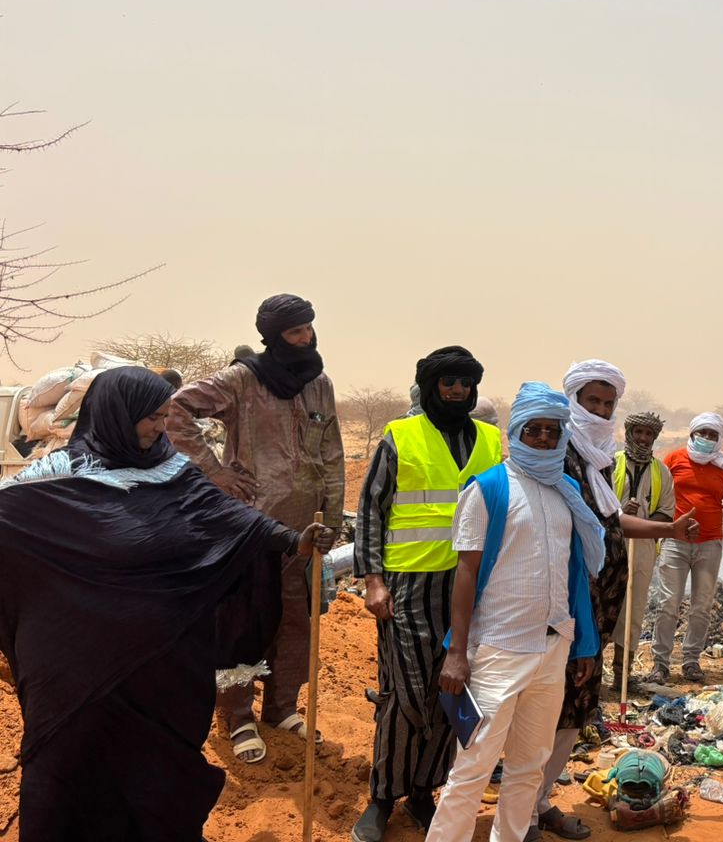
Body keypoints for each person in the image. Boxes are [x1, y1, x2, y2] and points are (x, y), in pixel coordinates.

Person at [0, 367, 335, 841]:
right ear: (116, 414)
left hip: (164, 663)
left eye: (163, 416)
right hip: (74, 665)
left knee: (158, 770)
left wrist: (293, 540)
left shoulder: (174, 472)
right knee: (69, 764)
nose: (159, 427)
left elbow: (232, 519)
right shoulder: (49, 480)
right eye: (149, 418)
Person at [167, 293, 344, 764]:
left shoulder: (320, 383)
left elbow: (331, 451)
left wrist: (332, 513)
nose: (306, 337)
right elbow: (175, 411)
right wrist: (214, 471)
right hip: (247, 526)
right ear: (273, 336)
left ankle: (281, 707)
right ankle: (237, 715)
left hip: (305, 527)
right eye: (295, 332)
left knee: (295, 618)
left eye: (309, 327)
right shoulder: (242, 380)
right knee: (244, 620)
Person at [426, 382, 603, 842]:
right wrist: (456, 652)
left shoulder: (565, 491)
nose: (544, 438)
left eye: (552, 430)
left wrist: (583, 644)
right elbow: (465, 573)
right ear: (516, 432)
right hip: (499, 650)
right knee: (473, 769)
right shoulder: (488, 489)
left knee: (529, 765)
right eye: (534, 430)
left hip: (552, 647)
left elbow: (574, 575)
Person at [531, 361, 698, 841]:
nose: (600, 410)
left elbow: (609, 522)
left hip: (594, 610)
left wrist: (667, 528)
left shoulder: (598, 461)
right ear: (572, 402)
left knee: (575, 705)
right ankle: (520, 812)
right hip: (558, 603)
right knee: (542, 708)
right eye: (592, 402)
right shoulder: (555, 455)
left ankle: (539, 803)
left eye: (608, 403)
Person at [351, 347, 503, 841]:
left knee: (451, 692)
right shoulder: (400, 436)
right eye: (448, 383)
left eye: (465, 382)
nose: (458, 390)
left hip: (470, 587)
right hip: (408, 586)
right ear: (431, 386)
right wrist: (373, 581)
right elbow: (372, 510)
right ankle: (381, 797)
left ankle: (422, 790)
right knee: (404, 694)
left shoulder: (492, 440)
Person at [649, 412, 723, 683]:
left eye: (712, 434)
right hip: (674, 543)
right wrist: (655, 534)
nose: (706, 438)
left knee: (702, 605)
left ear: (719, 439)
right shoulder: (674, 460)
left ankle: (691, 661)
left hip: (710, 546)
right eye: (702, 433)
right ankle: (660, 663)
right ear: (692, 434)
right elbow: (658, 497)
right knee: (669, 603)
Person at [609, 411, 676, 687]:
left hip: (644, 547)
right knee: (602, 605)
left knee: (634, 610)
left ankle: (621, 676)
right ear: (629, 433)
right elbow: (597, 504)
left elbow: (666, 513)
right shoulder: (611, 463)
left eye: (649, 434)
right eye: (639, 433)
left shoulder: (662, 472)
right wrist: (620, 513)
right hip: (610, 544)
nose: (643, 439)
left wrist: (641, 523)